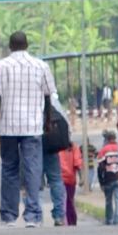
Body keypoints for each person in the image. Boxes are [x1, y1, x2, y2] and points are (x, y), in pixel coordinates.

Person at [0, 31, 56, 228]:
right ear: (27, 45)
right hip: (33, 126)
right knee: (33, 169)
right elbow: (48, 97)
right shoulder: (41, 66)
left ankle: (8, 216)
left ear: (10, 46)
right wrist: (48, 120)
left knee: (9, 168)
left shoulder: (0, 66)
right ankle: (33, 215)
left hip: (7, 127)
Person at [42, 95, 71, 226]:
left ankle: (35, 216)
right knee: (56, 179)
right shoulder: (53, 99)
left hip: (32, 142)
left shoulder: (26, 96)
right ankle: (59, 215)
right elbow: (64, 119)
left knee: (32, 180)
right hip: (51, 142)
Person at [97, 129, 118, 225]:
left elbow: (100, 168)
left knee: (108, 200)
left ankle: (109, 219)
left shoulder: (103, 150)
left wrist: (101, 182)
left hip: (108, 178)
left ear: (107, 139)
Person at [58, 139, 83, 226]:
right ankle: (71, 221)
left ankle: (62, 220)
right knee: (69, 201)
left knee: (61, 201)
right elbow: (78, 163)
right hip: (70, 179)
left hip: (59, 179)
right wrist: (81, 178)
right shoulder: (74, 147)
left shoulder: (57, 146)